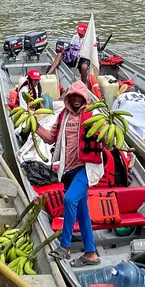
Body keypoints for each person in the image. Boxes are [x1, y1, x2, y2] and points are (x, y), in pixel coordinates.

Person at [37, 80, 103, 268]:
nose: (76, 99)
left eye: (79, 96)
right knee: (82, 213)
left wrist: (109, 133)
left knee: (69, 200)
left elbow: (105, 142)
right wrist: (35, 127)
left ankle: (64, 247)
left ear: (84, 98)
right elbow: (51, 139)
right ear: (68, 98)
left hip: (86, 168)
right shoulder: (63, 116)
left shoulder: (92, 116)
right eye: (72, 95)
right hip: (68, 170)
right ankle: (91, 254)